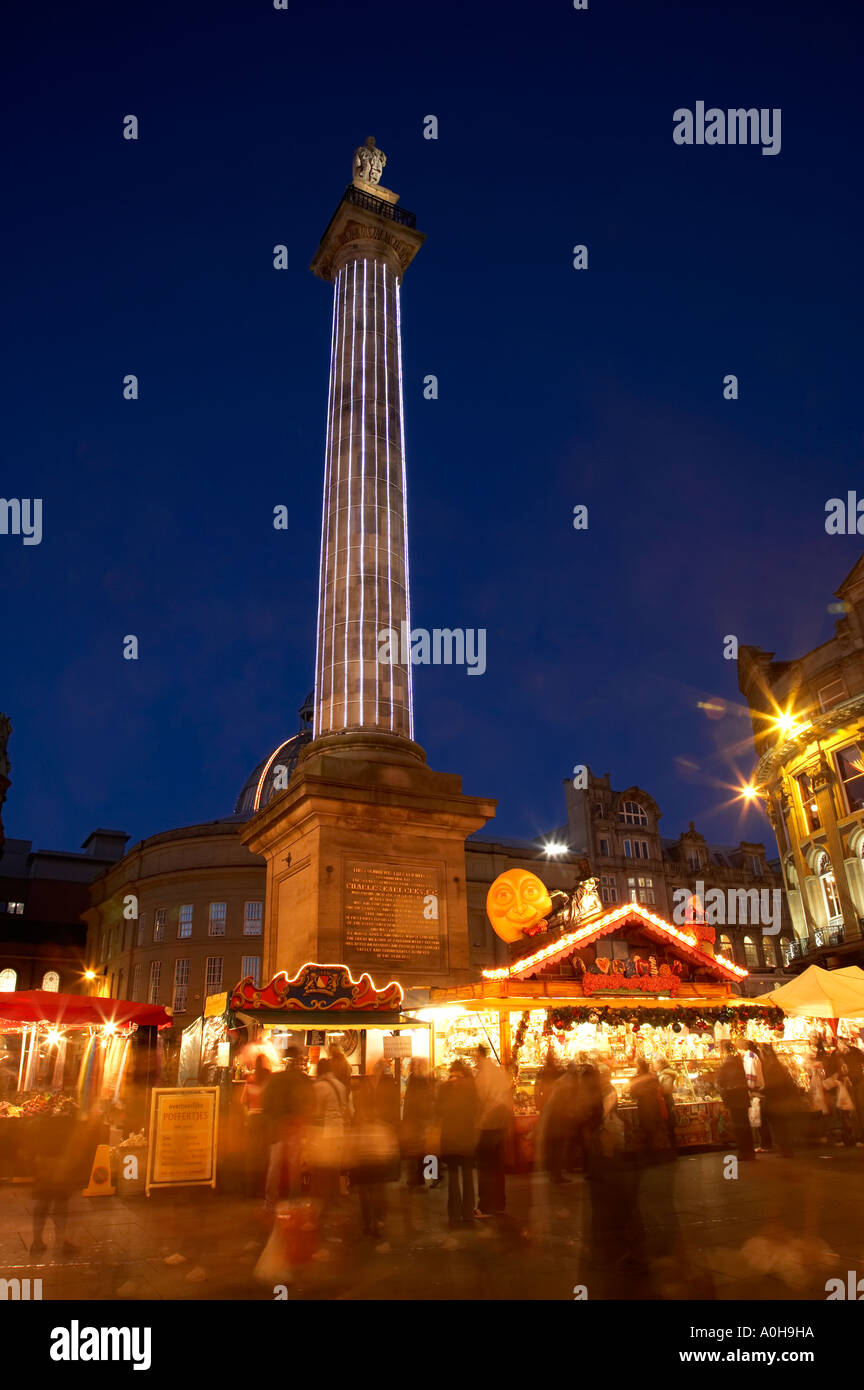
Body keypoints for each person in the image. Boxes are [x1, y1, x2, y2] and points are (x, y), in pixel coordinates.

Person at [349, 1059, 402, 1244]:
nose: (376, 1072)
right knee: (367, 1187)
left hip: (379, 1139)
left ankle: (377, 1221)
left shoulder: (388, 1086)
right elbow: (358, 1110)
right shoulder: (364, 1087)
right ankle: (368, 1222)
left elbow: (393, 1110)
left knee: (378, 1187)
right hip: (367, 1140)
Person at [261, 1045, 314, 1210]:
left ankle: (270, 1202)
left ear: (285, 1060)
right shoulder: (303, 1079)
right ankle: (295, 1200)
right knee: (294, 1165)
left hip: (278, 1126)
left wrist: (273, 1119)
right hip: (296, 1125)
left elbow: (265, 1103)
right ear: (298, 1059)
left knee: (275, 1165)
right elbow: (311, 1102)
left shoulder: (276, 1079)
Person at [437, 1060, 478, 1226]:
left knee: (455, 1177)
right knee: (465, 1176)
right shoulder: (471, 1089)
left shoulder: (445, 1089)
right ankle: (467, 1212)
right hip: (465, 1138)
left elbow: (439, 1110)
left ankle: (455, 1213)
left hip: (452, 1138)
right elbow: (476, 1110)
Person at [473, 1045, 512, 1216]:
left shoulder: (482, 1076)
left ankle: (486, 1206)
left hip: (487, 1125)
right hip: (501, 1123)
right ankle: (500, 1203)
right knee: (497, 1166)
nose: (474, 1060)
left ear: (480, 1056)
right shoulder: (499, 1072)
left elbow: (478, 1100)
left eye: (475, 1056)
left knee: (486, 1167)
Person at [309, 1057, 349, 1208]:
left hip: (325, 1133)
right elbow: (344, 1108)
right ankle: (334, 1198)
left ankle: (322, 1199)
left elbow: (317, 1112)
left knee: (321, 1169)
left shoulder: (319, 1087)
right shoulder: (340, 1085)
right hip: (339, 1131)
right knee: (335, 1167)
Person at [543, 1066, 581, 1184]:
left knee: (555, 1149)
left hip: (553, 1122)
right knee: (558, 1149)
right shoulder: (563, 1088)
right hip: (557, 1123)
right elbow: (562, 1106)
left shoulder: (557, 1086)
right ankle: (556, 1175)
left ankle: (554, 1174)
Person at [717, 1042, 755, 1161]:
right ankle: (750, 1151)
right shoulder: (739, 1063)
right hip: (742, 1096)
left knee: (738, 1126)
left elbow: (720, 1082)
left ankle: (743, 1152)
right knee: (745, 1125)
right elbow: (746, 1078)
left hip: (733, 1097)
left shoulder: (725, 1065)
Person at [760, 1043, 799, 1158]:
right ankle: (786, 1149)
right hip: (780, 1100)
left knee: (780, 1127)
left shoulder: (773, 1068)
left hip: (777, 1102)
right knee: (782, 1126)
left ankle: (786, 1150)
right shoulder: (777, 1066)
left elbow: (774, 1085)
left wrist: (762, 1090)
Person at [240, 1054, 271, 1197]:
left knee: (251, 1156)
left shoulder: (250, 1079)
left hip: (252, 1118)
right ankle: (261, 1189)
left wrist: (248, 1114)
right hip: (264, 1119)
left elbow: (242, 1101)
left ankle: (248, 1190)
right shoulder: (268, 1079)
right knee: (263, 1155)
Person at [401, 1057, 435, 1188]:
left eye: (416, 1065)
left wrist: (407, 1118)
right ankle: (428, 1176)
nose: (414, 1067)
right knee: (424, 1149)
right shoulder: (426, 1079)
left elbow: (411, 1100)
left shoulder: (417, 1080)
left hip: (417, 1118)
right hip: (422, 1118)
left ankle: (422, 1177)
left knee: (420, 1150)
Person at [628, 1058, 669, 1160]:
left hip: (645, 1107)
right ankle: (657, 1154)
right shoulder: (653, 1077)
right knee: (655, 1130)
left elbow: (633, 1094)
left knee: (647, 1131)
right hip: (655, 1106)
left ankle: (650, 1155)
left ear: (638, 1067)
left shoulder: (637, 1079)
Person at [743, 1042, 767, 1151]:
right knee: (759, 1117)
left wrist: (750, 1087)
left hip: (755, 1090)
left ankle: (763, 1143)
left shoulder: (749, 1057)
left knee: (758, 1117)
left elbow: (751, 1074)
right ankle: (764, 1143)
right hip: (758, 1089)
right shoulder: (753, 1056)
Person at [654, 1056, 678, 1152]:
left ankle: (672, 1149)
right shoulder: (662, 1074)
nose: (654, 1065)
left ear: (660, 1064)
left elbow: (667, 1090)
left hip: (666, 1102)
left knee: (668, 1125)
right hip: (664, 1102)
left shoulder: (666, 1074)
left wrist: (658, 1088)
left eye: (655, 1063)